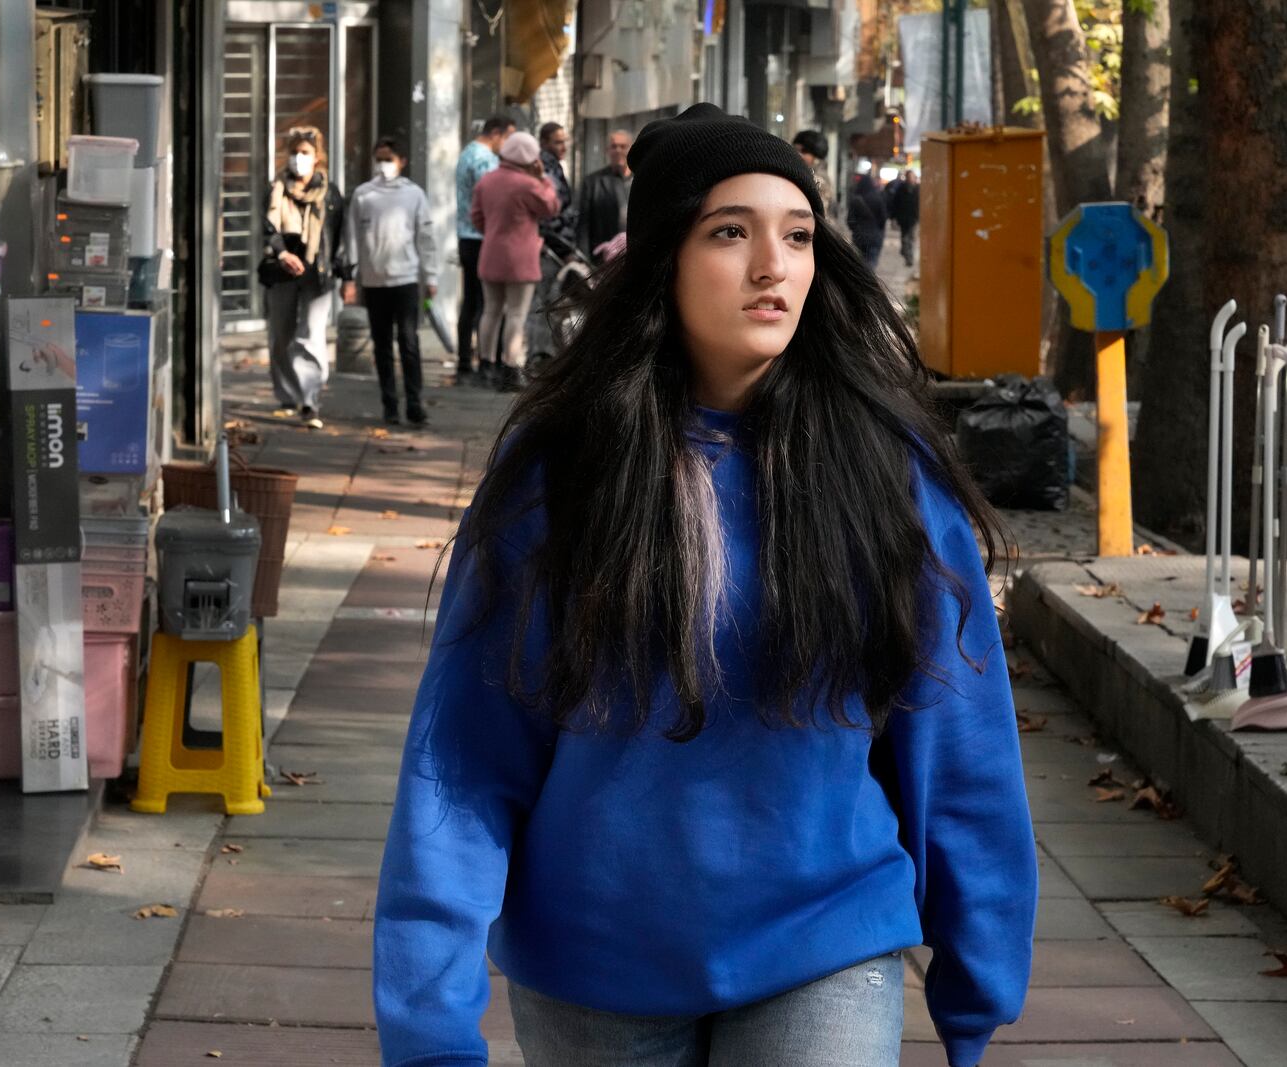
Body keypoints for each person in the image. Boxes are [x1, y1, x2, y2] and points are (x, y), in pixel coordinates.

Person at [374, 102, 1035, 1067]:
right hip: (594, 962)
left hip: (827, 935)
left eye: (799, 235)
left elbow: (960, 734)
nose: (775, 266)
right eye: (732, 232)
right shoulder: (562, 471)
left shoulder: (885, 471)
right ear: (662, 260)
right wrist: (429, 1018)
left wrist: (977, 977)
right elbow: (466, 757)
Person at [343, 137, 438, 428]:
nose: (384, 164)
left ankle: (414, 402)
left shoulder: (414, 195)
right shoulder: (363, 195)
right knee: (382, 345)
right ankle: (389, 406)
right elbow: (352, 239)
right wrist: (350, 277)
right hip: (373, 282)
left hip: (406, 279)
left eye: (389, 158)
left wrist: (430, 275)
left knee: (408, 342)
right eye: (379, 158)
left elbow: (426, 238)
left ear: (402, 161)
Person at [262, 126, 345, 429]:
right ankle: (287, 395)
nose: (299, 159)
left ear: (317, 158)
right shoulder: (275, 189)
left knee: (311, 334)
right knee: (281, 334)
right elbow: (266, 228)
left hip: (317, 274)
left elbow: (339, 236)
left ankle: (309, 400)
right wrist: (282, 253)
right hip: (281, 271)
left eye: (305, 153)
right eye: (294, 153)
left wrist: (342, 272)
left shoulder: (330, 194)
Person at [470, 131, 559, 392]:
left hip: (490, 253)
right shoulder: (528, 184)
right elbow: (551, 207)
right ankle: (510, 368)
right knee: (517, 314)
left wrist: (493, 232)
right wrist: (542, 177)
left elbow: (476, 217)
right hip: (521, 258)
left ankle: (485, 364)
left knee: (491, 311)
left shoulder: (487, 181)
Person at [455, 114, 518, 385]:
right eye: (507, 138)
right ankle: (482, 361)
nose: (508, 144)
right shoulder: (484, 160)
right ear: (496, 133)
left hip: (468, 235)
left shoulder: (468, 152)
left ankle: (465, 362)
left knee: (473, 301)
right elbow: (494, 198)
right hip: (482, 237)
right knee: (488, 304)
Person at [576, 128, 632, 258]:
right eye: (614, 146)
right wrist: (584, 257)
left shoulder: (643, 180)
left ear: (631, 149)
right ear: (607, 150)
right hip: (604, 255)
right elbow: (583, 224)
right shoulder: (592, 183)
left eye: (623, 146)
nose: (618, 150)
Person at [537, 122, 577, 253]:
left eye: (564, 142)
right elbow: (549, 211)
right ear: (544, 143)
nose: (564, 148)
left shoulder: (553, 165)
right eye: (558, 143)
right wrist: (562, 248)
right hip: (554, 243)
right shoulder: (544, 167)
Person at [848, 170, 889, 268]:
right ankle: (869, 280)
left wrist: (856, 229)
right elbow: (883, 218)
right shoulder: (878, 198)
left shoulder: (856, 199)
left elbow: (850, 220)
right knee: (871, 261)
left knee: (859, 262)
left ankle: (861, 280)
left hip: (859, 236)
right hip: (874, 235)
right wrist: (878, 228)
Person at [791, 127, 835, 218]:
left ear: (816, 155)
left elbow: (819, 217)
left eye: (804, 151)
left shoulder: (818, 179)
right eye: (795, 149)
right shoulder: (802, 172)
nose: (798, 154)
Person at [888, 166, 921, 268]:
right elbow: (895, 203)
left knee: (911, 238)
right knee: (904, 237)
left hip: (913, 218)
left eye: (913, 177)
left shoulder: (918, 189)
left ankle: (909, 258)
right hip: (903, 218)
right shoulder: (901, 189)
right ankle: (905, 252)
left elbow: (920, 204)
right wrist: (893, 216)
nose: (912, 178)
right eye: (910, 176)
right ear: (907, 177)